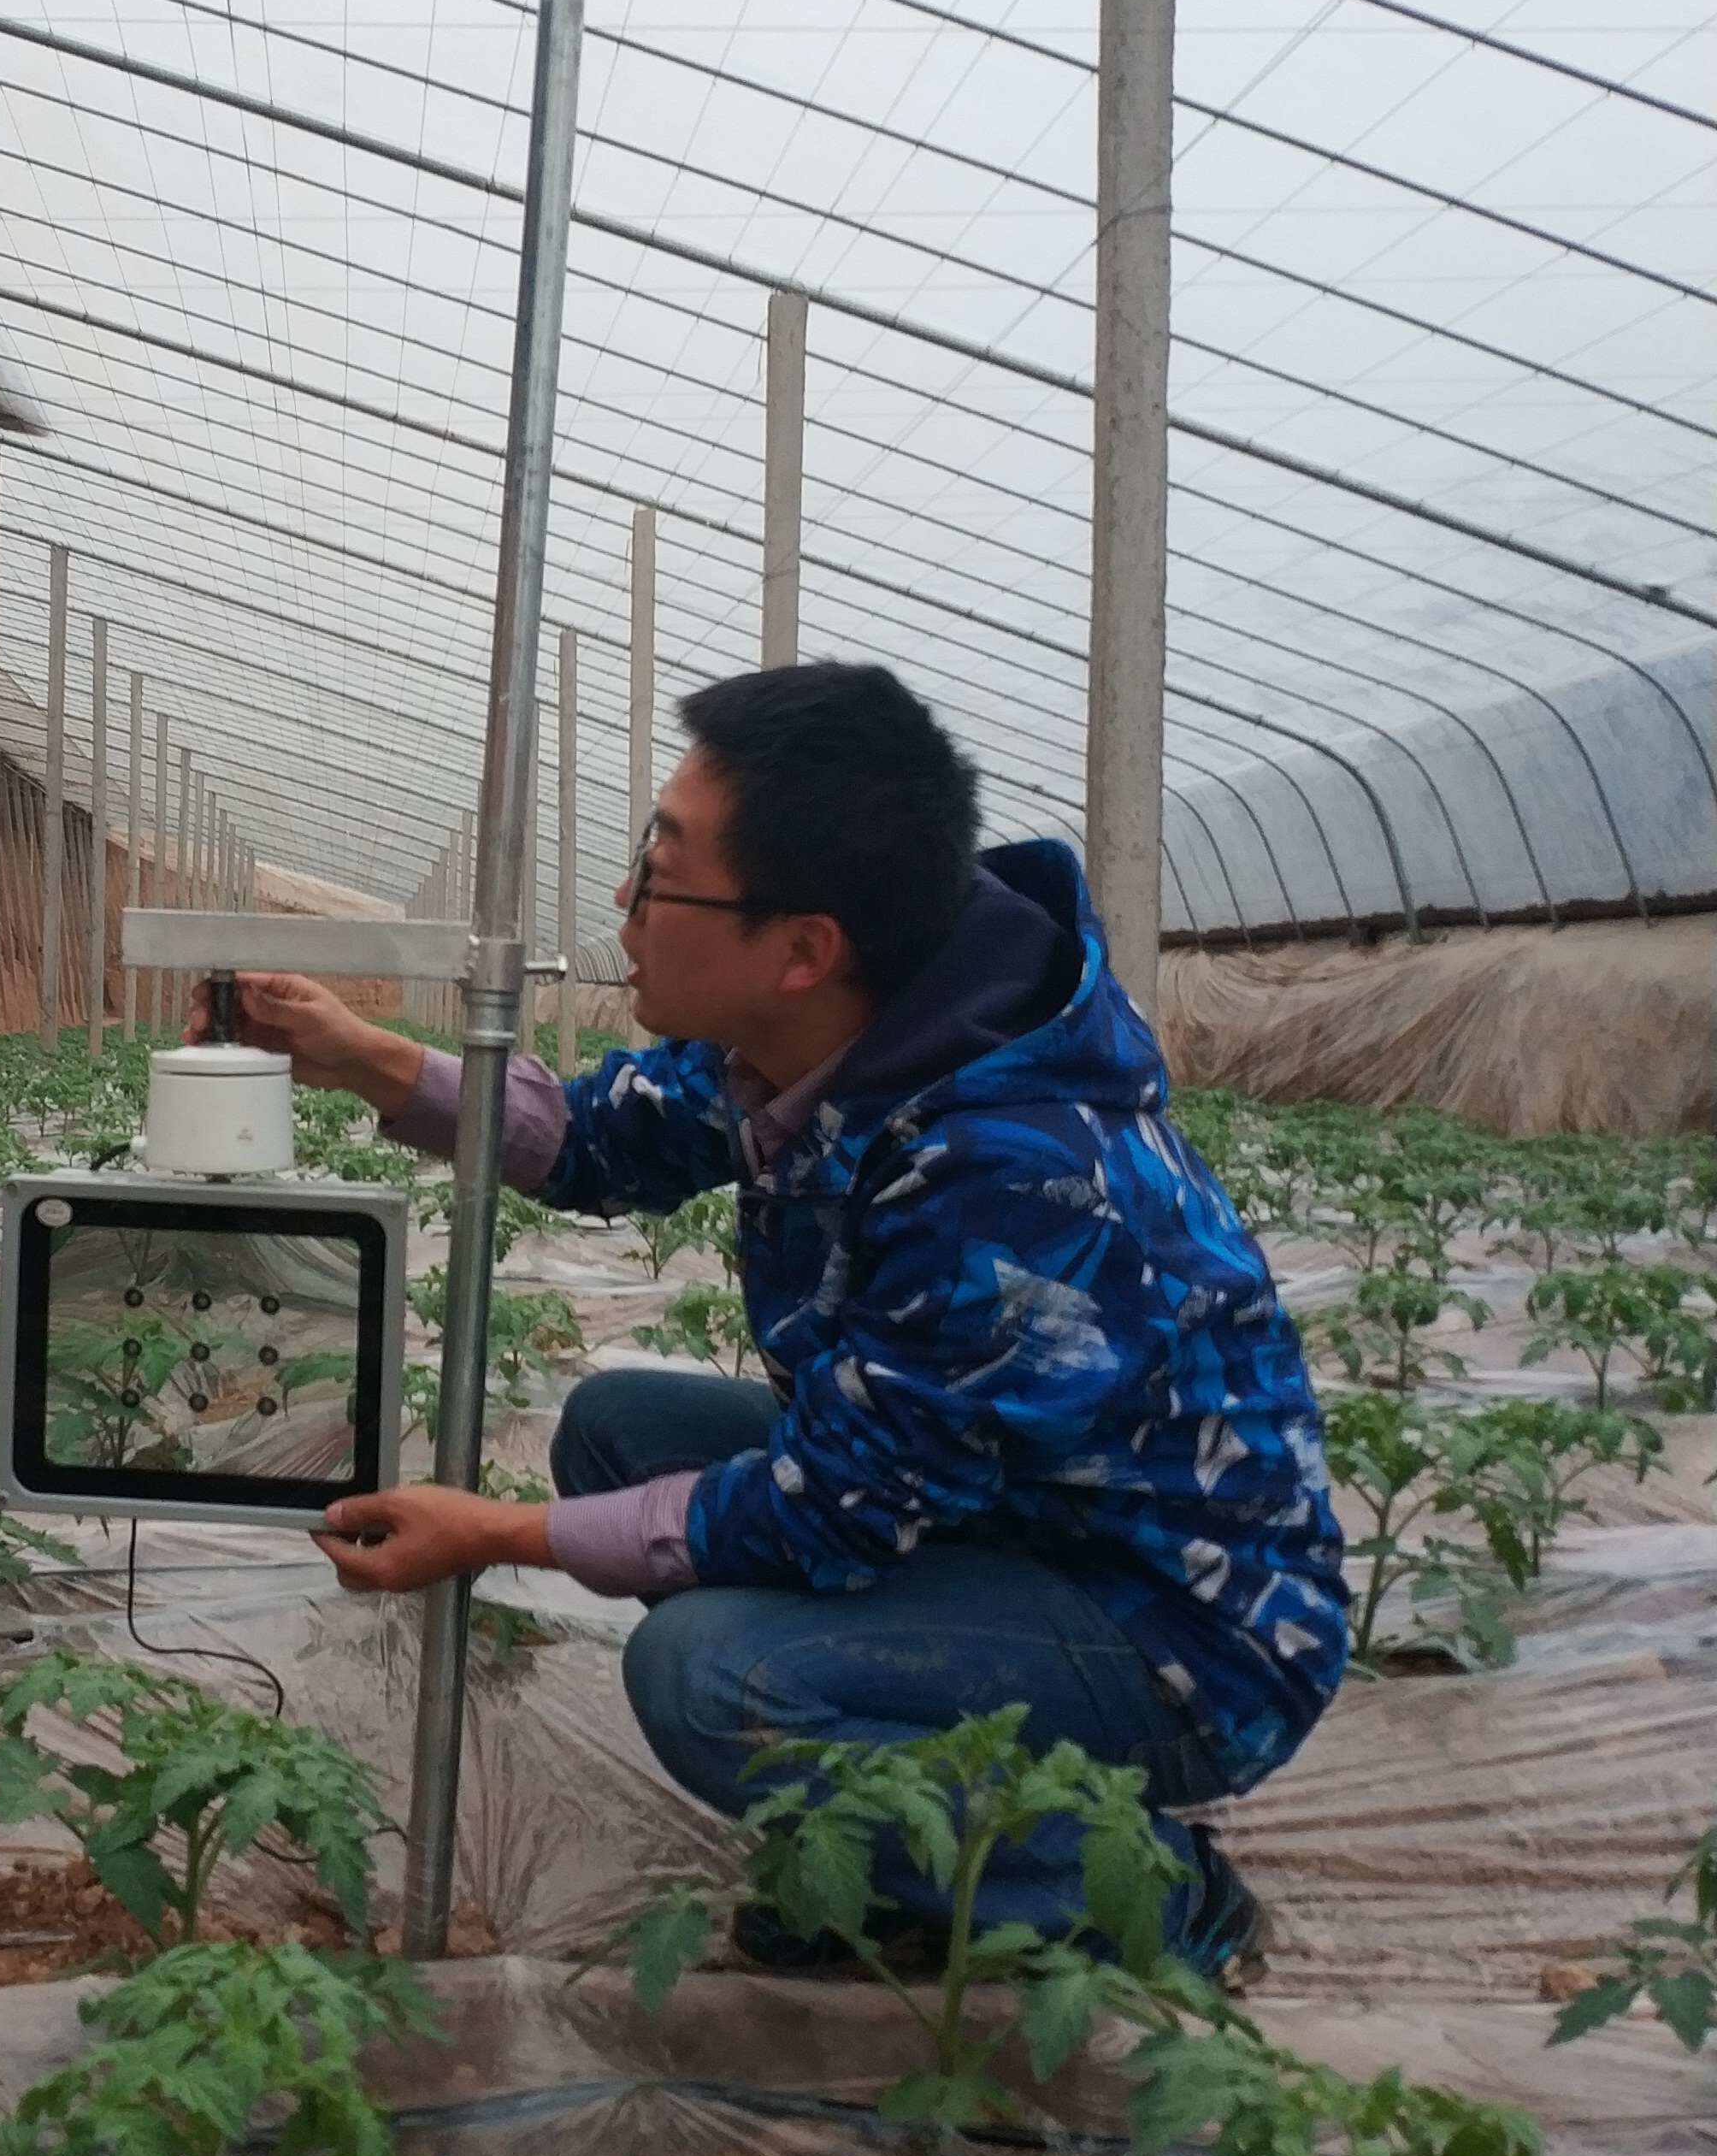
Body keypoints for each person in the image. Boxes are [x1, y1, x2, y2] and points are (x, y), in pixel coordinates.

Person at [227, 663, 1344, 1977]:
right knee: (620, 1429)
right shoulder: (829, 1037)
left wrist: (499, 1536)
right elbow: (597, 1139)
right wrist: (361, 1053)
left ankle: (1136, 1893)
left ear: (802, 945)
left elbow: (840, 1509)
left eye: (658, 871)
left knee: (715, 1678)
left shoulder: (1009, 1166)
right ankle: (896, 1848)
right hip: (1012, 1520)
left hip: (1178, 1636)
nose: (623, 905)